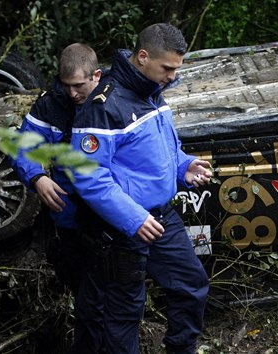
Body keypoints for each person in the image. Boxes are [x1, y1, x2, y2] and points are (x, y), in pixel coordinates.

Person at [67, 23, 211, 354]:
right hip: (121, 229)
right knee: (123, 314)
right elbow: (88, 176)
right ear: (143, 57)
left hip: (160, 217)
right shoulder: (103, 105)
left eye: (176, 69)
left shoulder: (153, 94)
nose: (173, 77)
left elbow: (161, 151)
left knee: (191, 286)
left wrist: (182, 166)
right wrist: (132, 219)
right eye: (168, 68)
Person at [11, 43, 102, 293]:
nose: (72, 94)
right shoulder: (49, 105)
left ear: (96, 76)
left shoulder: (113, 100)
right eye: (66, 85)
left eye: (79, 86)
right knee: (80, 289)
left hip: (110, 212)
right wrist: (37, 176)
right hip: (69, 215)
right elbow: (22, 147)